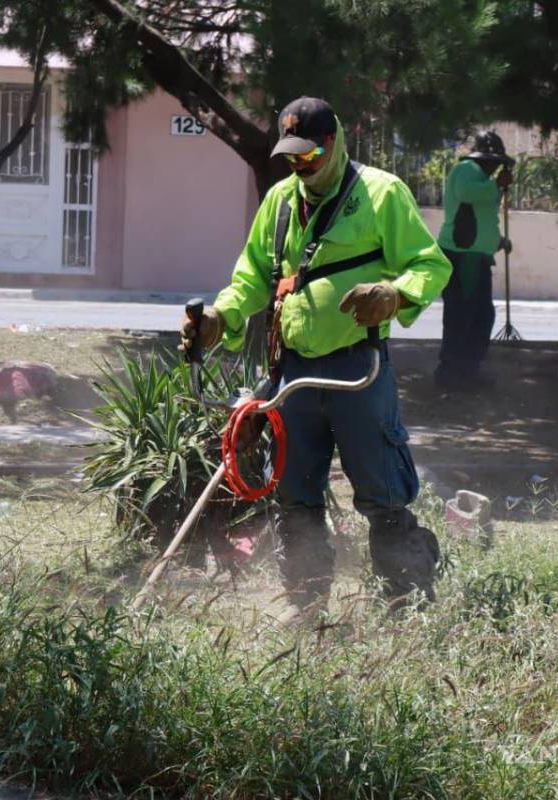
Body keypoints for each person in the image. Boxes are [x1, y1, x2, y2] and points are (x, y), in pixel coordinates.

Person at [179, 97, 452, 615]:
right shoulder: (280, 202)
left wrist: (394, 294)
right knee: (295, 500)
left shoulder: (380, 193)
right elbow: (252, 278)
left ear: (334, 142)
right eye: (292, 157)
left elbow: (429, 264)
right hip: (293, 375)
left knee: (382, 497)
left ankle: (408, 607)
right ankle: (306, 612)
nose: (301, 167)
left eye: (310, 155)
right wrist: (220, 319)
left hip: (357, 372)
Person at [434, 130, 515, 390]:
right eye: (493, 161)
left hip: (476, 256)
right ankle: (451, 372)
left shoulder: (484, 179)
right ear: (483, 158)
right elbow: (467, 195)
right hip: (463, 256)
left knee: (480, 315)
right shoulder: (467, 170)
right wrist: (497, 185)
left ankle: (468, 369)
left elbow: (482, 218)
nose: (495, 167)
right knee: (463, 314)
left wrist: (498, 241)